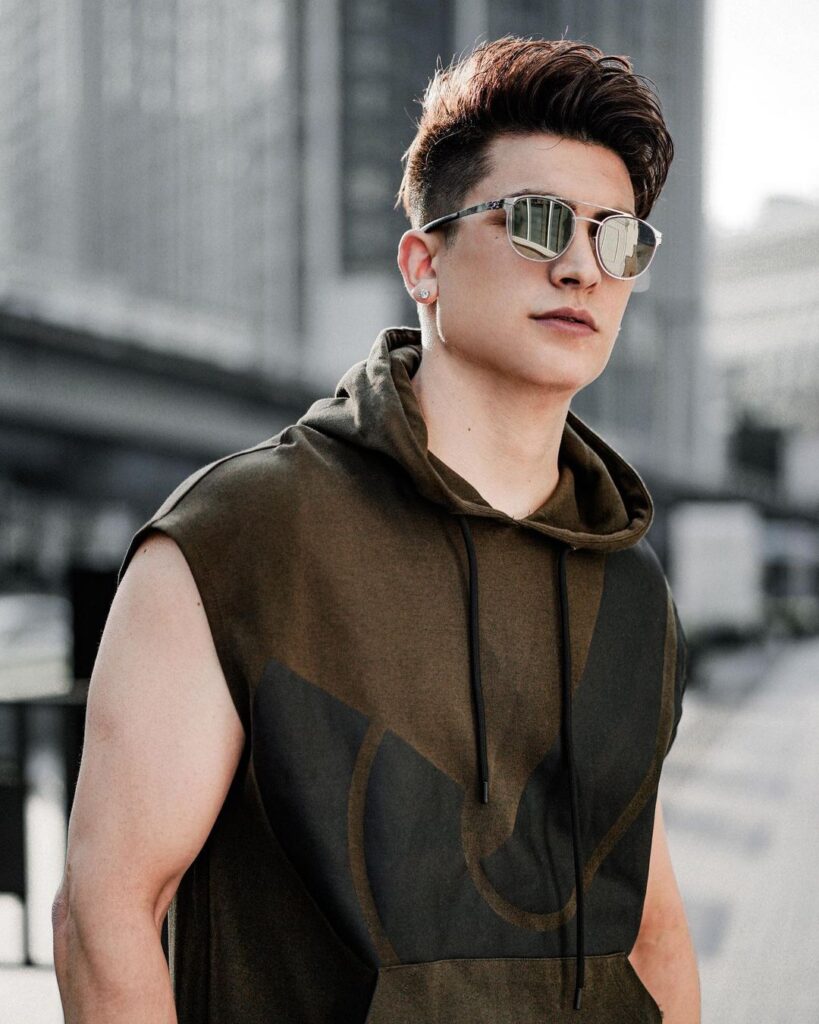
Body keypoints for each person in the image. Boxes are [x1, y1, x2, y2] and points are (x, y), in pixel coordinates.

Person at [52, 35, 700, 1023]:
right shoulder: (246, 534)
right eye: (536, 223)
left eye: (619, 239)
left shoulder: (630, 582)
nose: (581, 266)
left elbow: (649, 931)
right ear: (422, 263)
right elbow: (105, 913)